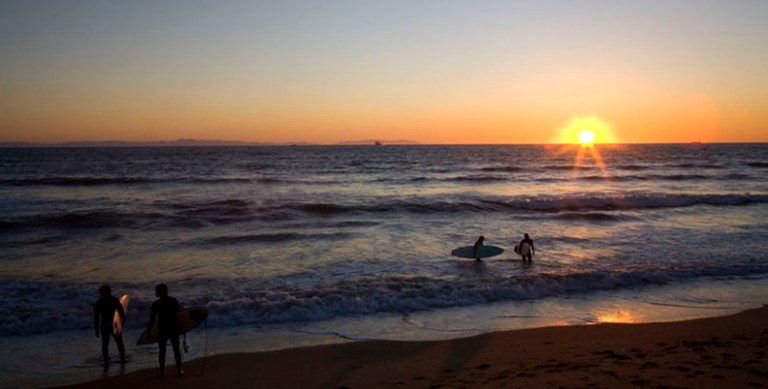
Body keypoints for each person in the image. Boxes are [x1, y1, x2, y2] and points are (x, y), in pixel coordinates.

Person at [146, 283, 183, 376]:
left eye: (156, 291)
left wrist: (149, 331)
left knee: (162, 351)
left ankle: (162, 372)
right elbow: (179, 315)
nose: (155, 293)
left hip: (162, 328)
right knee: (176, 349)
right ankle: (179, 370)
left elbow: (152, 319)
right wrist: (182, 328)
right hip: (173, 327)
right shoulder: (173, 301)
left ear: (160, 292)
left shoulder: (155, 304)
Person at [93, 284, 126, 366]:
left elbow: (122, 313)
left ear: (108, 292)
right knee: (105, 343)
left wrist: (121, 323)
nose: (101, 295)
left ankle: (123, 358)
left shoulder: (114, 301)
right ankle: (106, 360)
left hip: (115, 325)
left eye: (102, 293)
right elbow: (96, 317)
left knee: (119, 343)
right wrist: (96, 329)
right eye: (100, 293)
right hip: (104, 325)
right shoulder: (99, 303)